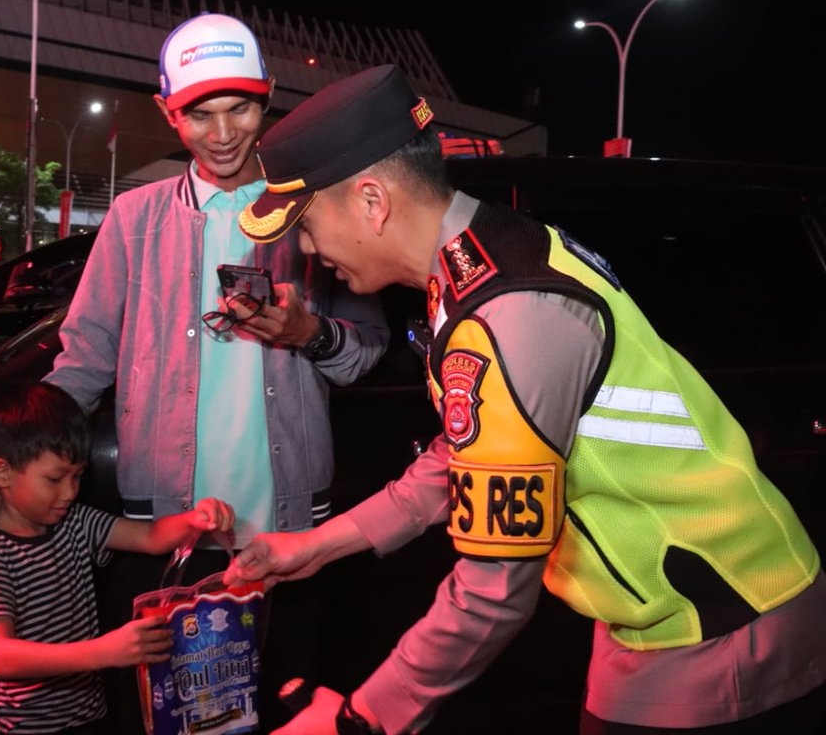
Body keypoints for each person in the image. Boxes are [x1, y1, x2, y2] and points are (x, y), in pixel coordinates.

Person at [226, 65, 826, 734]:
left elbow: (491, 591)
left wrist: (360, 721)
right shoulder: (481, 251)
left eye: (306, 224)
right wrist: (319, 544)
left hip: (720, 622)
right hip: (658, 612)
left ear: (372, 200)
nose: (306, 248)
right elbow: (468, 453)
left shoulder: (506, 313)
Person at [44, 12, 389, 730]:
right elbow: (83, 359)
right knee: (171, 718)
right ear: (168, 112)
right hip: (170, 537)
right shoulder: (134, 219)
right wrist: (10, 454)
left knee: (286, 710)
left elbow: (364, 353)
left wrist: (309, 332)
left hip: (291, 533)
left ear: (268, 98)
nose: (224, 131)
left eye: (241, 108)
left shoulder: (310, 209)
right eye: (200, 113)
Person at [0, 382, 235, 735]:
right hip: (17, 729)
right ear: (2, 473)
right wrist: (104, 651)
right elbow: (0, 657)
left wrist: (195, 518)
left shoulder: (76, 522)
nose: (69, 492)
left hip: (84, 717)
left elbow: (150, 537)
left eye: (76, 476)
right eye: (55, 478)